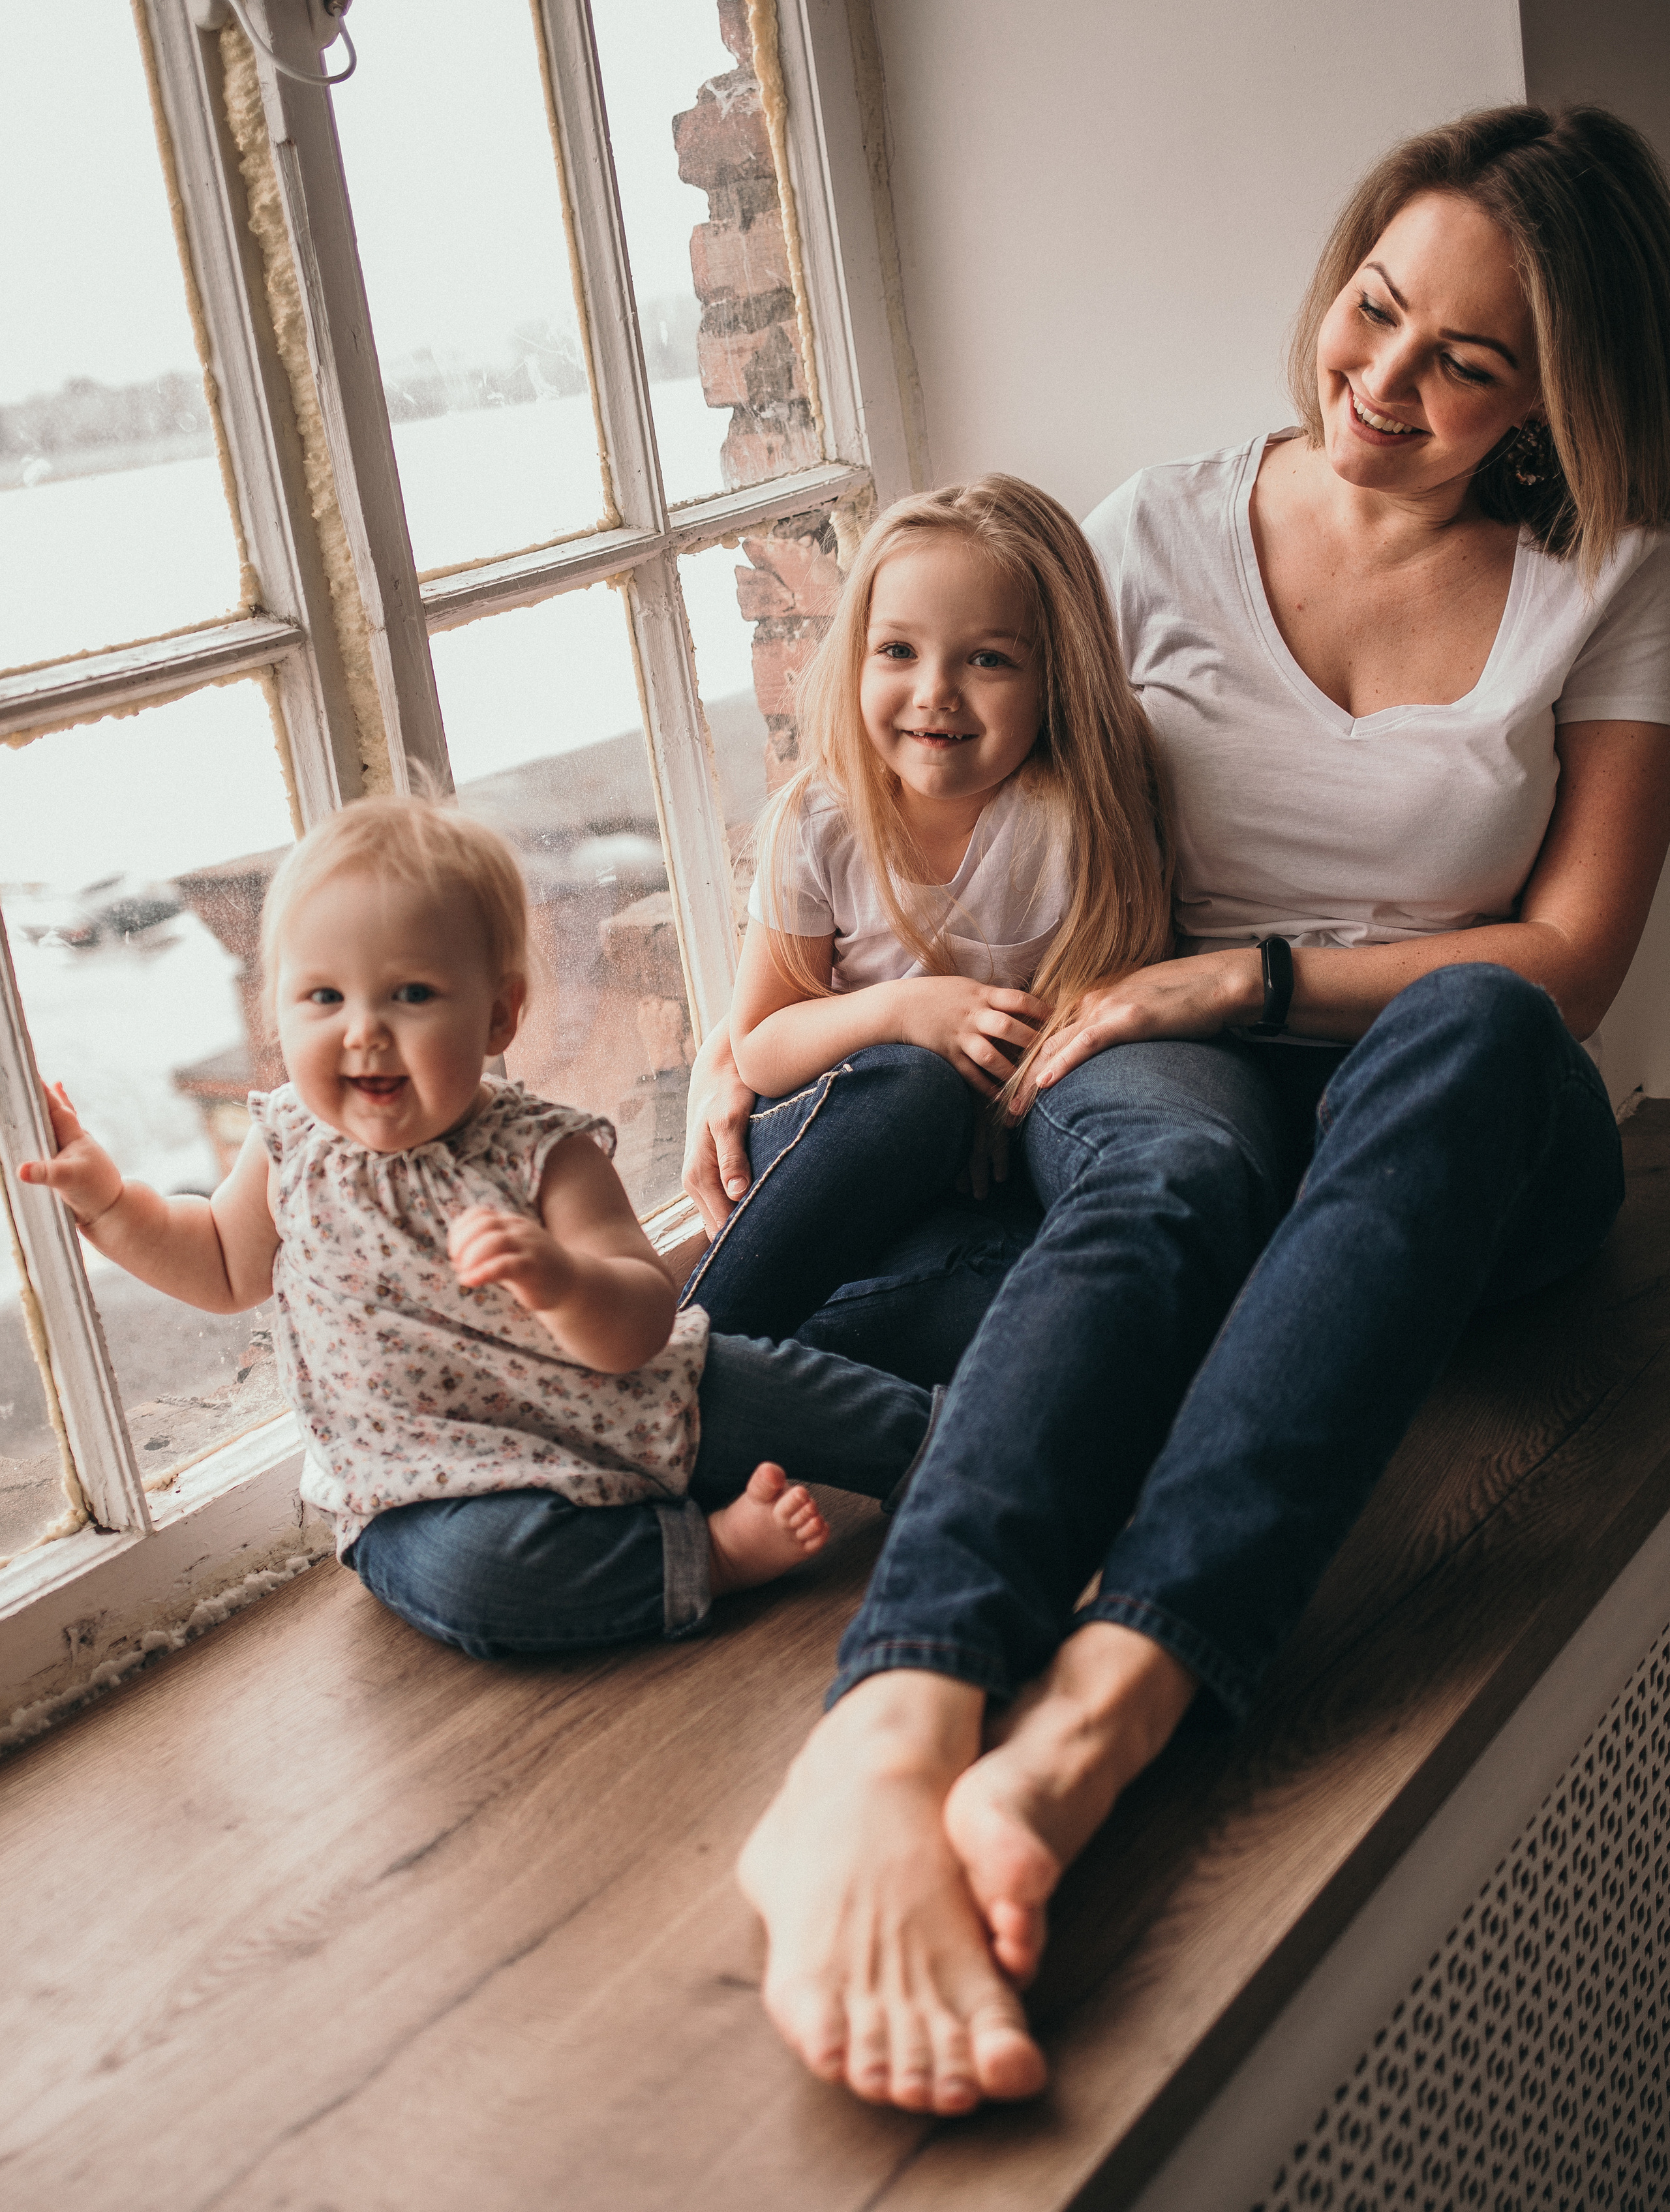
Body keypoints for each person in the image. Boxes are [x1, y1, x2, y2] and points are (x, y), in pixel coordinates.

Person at [683, 104, 1670, 2115]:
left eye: (1466, 363)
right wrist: (764, 1023)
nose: (1385, 382)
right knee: (1161, 1171)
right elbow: (917, 778)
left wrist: (1264, 971)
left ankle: (1106, 1712)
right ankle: (898, 1721)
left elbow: (1566, 954)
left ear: (1552, 393)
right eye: (1375, 311)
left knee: (1478, 1034)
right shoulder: (1148, 533)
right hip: (1165, 1055)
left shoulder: (1614, 577)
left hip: (1455, 1104)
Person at [14, 796, 941, 1656]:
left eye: (410, 995)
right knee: (481, 1583)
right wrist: (109, 1202)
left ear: (499, 1013)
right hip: (427, 1489)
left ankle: (958, 1445)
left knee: (759, 1382)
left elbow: (642, 1325)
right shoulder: (289, 1145)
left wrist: (562, 1281)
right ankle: (705, 1556)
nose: (364, 1032)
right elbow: (218, 1265)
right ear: (276, 1009)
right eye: (324, 998)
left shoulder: (542, 1151)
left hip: (617, 1396)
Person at [682, 474, 1172, 1373]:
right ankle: (669, 1366)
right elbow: (759, 1050)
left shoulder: (1077, 816)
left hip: (974, 1191)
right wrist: (905, 1016)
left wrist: (1001, 1098)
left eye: (988, 659)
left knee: (1039, 1299)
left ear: (1057, 674)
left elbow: (1105, 999)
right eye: (898, 650)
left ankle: (726, 1372)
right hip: (836, 1136)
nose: (935, 693)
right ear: (856, 657)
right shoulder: (821, 821)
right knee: (917, 1086)